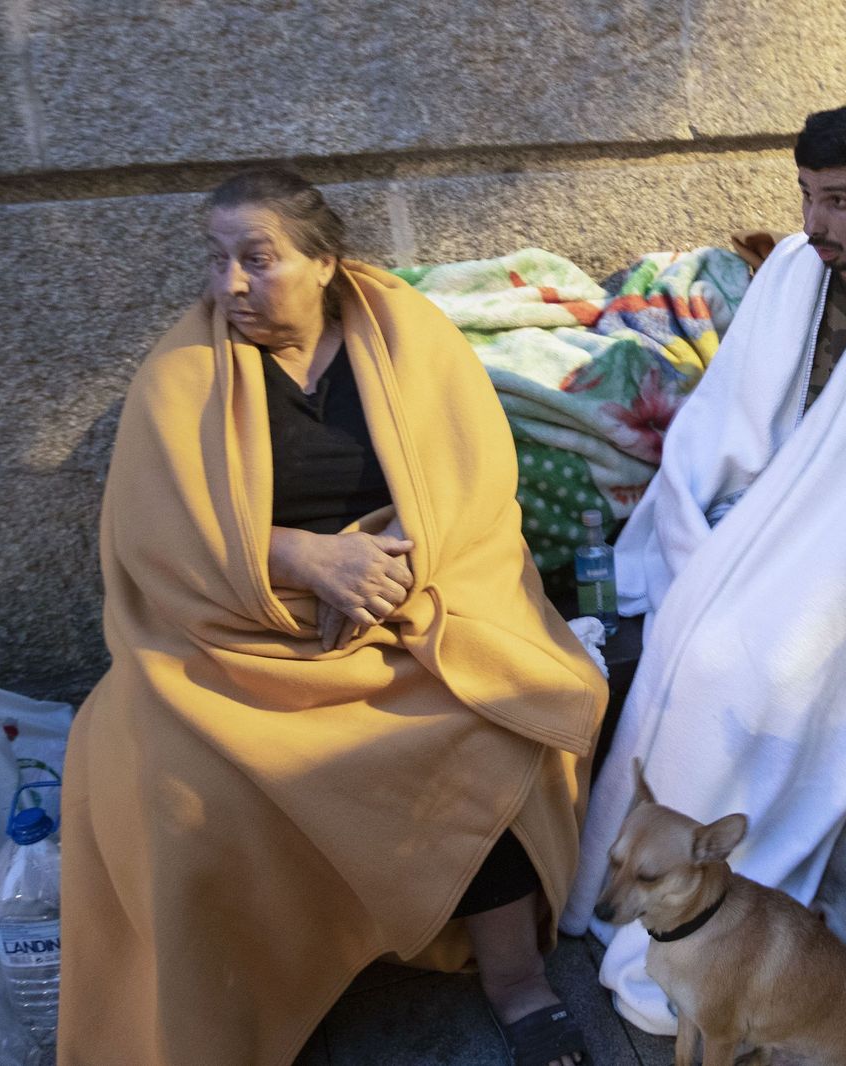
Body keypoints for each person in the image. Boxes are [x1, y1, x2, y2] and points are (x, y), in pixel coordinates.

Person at [58, 168, 607, 1066]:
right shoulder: (180, 372)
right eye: (216, 258)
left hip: (414, 611)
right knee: (164, 766)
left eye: (256, 258)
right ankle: (252, 1007)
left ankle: (516, 984)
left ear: (323, 262)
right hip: (244, 644)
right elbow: (153, 535)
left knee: (483, 725)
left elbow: (469, 489)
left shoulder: (408, 337)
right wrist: (298, 558)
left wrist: (387, 570)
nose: (228, 283)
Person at [562, 102, 846, 1033]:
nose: (815, 223)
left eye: (839, 202)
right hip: (754, 524)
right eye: (807, 196)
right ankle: (638, 885)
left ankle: (708, 912)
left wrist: (791, 558)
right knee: (691, 626)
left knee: (737, 663)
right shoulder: (793, 277)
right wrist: (706, 532)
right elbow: (723, 427)